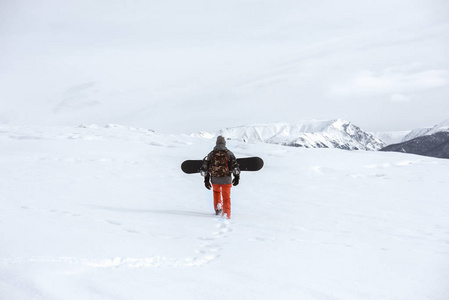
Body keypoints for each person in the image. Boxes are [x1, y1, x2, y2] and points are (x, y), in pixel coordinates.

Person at [201, 136, 240, 219]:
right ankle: (226, 213)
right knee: (226, 197)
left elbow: (206, 168)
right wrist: (236, 177)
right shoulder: (229, 153)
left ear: (216, 143)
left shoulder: (211, 154)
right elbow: (235, 167)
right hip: (227, 179)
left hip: (215, 179)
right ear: (224, 143)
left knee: (216, 193)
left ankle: (218, 208)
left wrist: (206, 181)